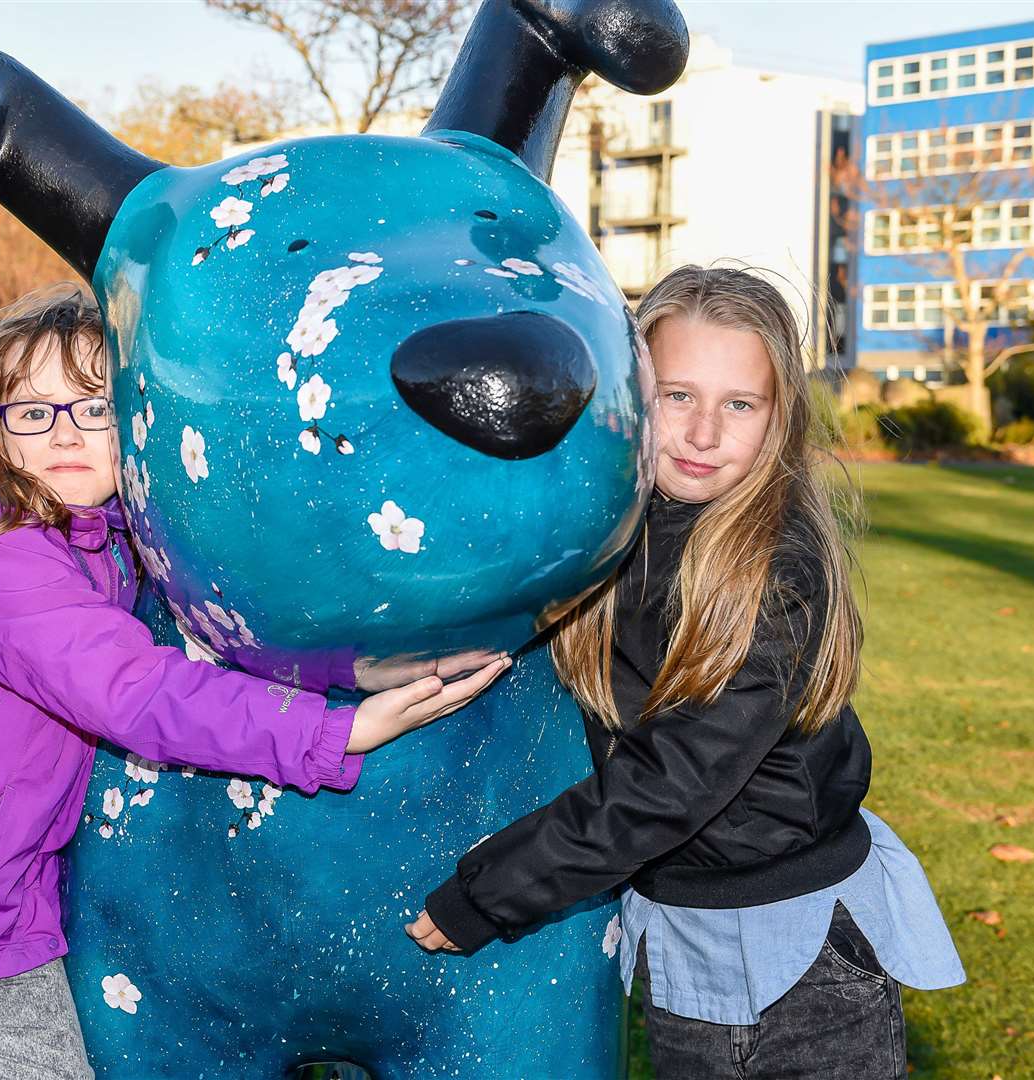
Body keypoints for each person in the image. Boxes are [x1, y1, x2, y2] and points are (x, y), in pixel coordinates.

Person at [0, 285, 509, 1080]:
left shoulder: (109, 543)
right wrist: (339, 731)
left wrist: (373, 666)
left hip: (2, 918)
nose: (63, 433)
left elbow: (219, 640)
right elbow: (137, 691)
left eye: (93, 406)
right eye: (31, 411)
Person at [406, 265, 964, 1078]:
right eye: (677, 395)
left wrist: (495, 890)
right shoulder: (607, 530)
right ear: (632, 392)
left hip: (808, 957)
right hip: (681, 939)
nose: (703, 432)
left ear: (779, 421)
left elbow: (675, 778)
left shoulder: (776, 569)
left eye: (739, 404)